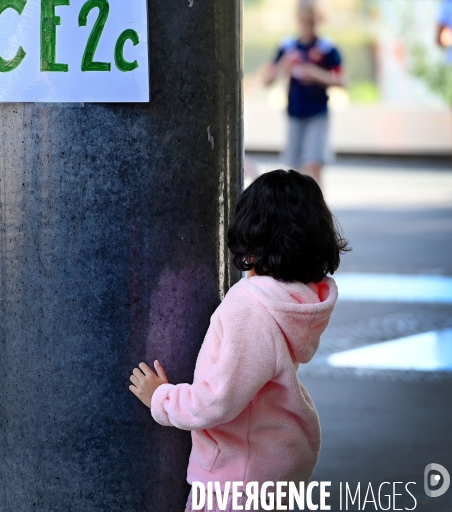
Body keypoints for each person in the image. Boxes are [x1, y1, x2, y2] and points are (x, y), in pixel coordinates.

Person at [129, 169, 349, 512]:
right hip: (275, 468)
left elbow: (217, 400)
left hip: (236, 482)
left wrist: (161, 398)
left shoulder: (250, 306)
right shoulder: (297, 302)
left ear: (252, 231)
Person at [264, 0, 345, 186]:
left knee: (313, 165)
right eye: (304, 20)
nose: (308, 25)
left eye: (312, 20)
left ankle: (318, 213)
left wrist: (315, 74)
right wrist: (284, 65)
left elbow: (341, 80)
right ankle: (300, 213)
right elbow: (267, 79)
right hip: (294, 113)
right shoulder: (288, 46)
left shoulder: (327, 48)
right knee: (295, 171)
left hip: (317, 113)